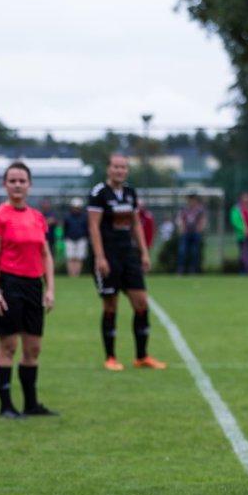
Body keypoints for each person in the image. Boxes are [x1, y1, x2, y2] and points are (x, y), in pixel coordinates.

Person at [0, 161, 59, 416]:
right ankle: (6, 406)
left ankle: (31, 404)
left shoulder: (37, 217)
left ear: (30, 184)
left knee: (33, 349)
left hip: (33, 286)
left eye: (22, 180)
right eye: (12, 180)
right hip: (8, 285)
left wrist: (49, 289)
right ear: (5, 184)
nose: (17, 185)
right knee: (8, 347)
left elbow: (46, 254)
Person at [88, 153, 166, 370]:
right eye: (116, 167)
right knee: (111, 305)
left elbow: (136, 224)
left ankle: (142, 356)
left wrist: (144, 253)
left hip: (128, 255)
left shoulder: (131, 193)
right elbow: (93, 226)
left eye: (123, 167)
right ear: (108, 169)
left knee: (141, 303)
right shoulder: (98, 193)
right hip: (108, 255)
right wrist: (100, 257)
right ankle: (110, 357)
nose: (120, 170)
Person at [175, 194, 206, 275]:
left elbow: (203, 219)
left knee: (195, 252)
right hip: (186, 233)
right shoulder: (184, 209)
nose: (191, 201)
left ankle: (193, 270)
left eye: (193, 199)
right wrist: (182, 228)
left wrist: (199, 229)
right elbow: (180, 219)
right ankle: (180, 269)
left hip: (195, 233)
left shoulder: (199, 209)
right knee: (182, 251)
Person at [61, 198, 90, 278]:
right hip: (70, 238)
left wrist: (86, 237)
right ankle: (71, 274)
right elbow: (65, 228)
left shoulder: (84, 217)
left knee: (79, 257)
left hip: (81, 238)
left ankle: (77, 274)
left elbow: (86, 228)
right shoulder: (68, 217)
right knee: (70, 257)